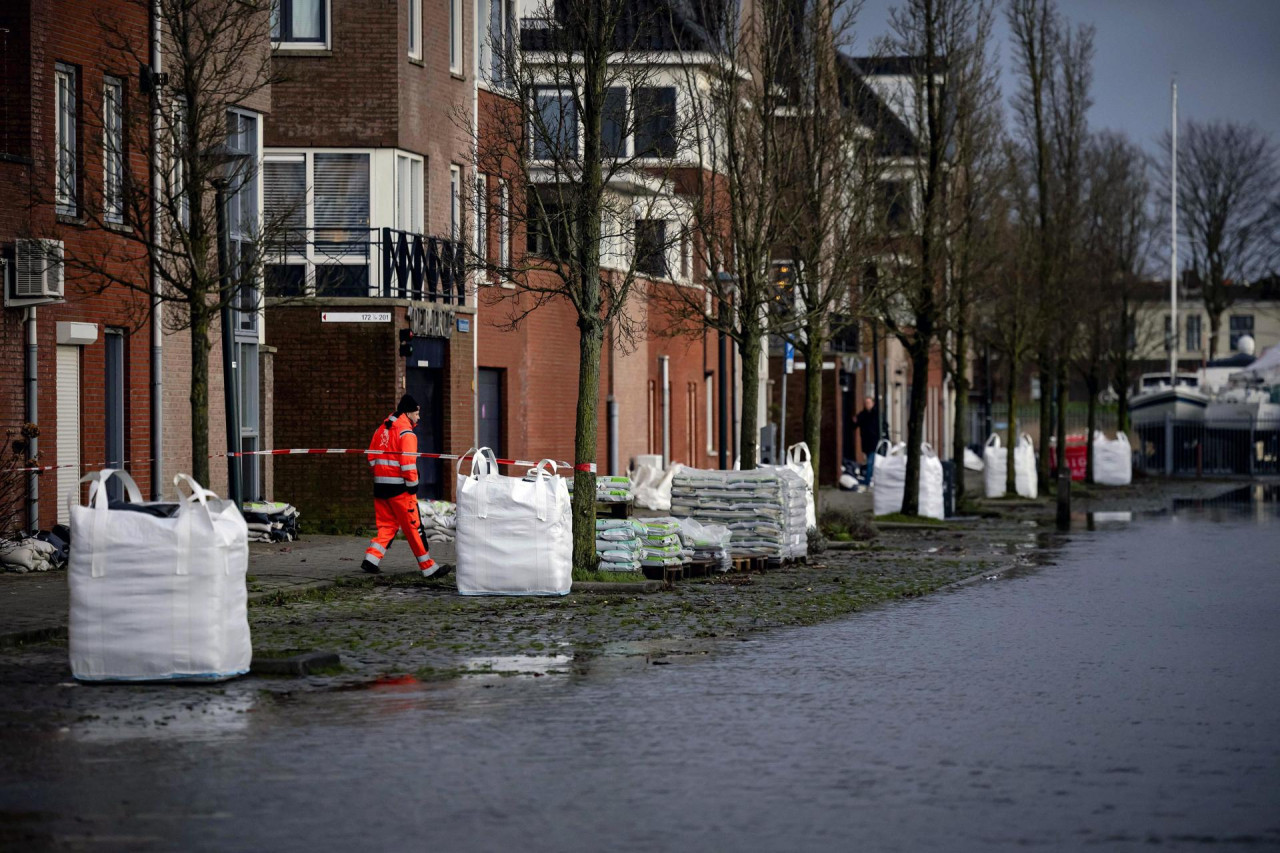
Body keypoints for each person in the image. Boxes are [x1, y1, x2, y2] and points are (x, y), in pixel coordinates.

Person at [362, 394, 449, 579]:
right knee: (414, 528)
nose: (419, 417)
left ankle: (371, 559)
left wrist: (381, 474)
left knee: (387, 525)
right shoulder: (406, 433)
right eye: (417, 414)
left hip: (380, 487)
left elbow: (371, 457)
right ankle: (428, 568)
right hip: (400, 489)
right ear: (409, 413)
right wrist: (412, 486)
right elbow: (408, 464)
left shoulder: (381, 429)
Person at [855, 396, 880, 487]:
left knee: (870, 462)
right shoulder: (862, 415)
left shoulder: (877, 414)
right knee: (870, 462)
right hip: (866, 443)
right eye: (866, 403)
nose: (867, 405)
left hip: (875, 443)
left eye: (869, 403)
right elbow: (855, 424)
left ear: (873, 404)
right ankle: (870, 479)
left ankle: (867, 481)